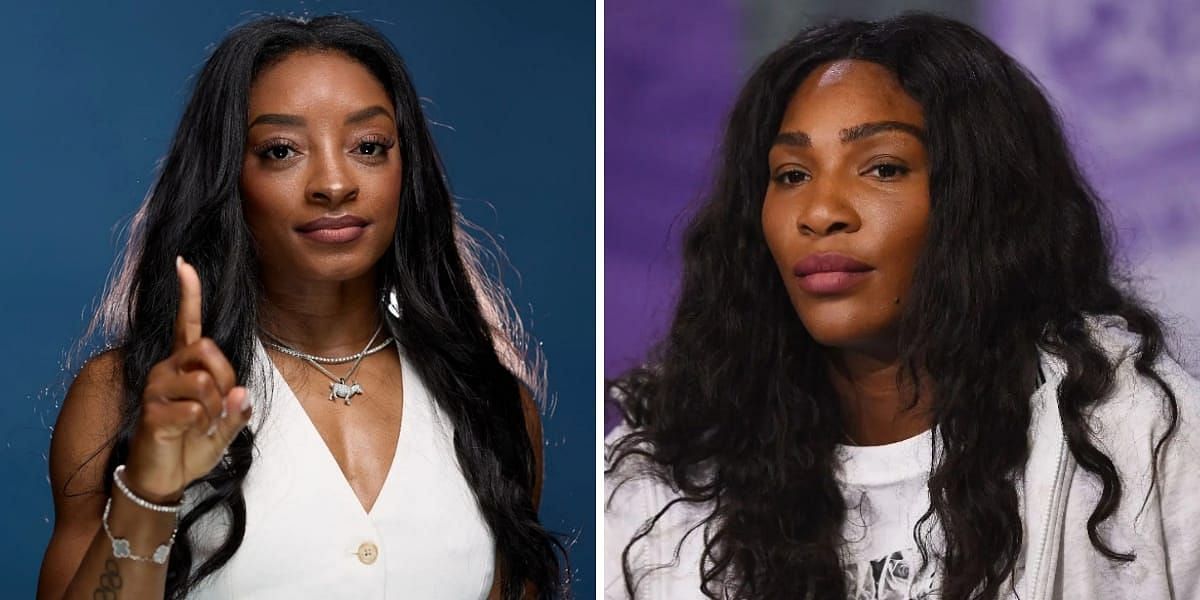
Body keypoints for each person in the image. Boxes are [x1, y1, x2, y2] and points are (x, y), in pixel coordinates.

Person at [604, 13, 1199, 600]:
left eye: (882, 168)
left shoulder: (1139, 437)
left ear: (978, 204)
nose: (820, 211)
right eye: (791, 175)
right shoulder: (660, 484)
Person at [38, 15, 563, 600]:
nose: (333, 184)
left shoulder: (492, 403)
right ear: (227, 177)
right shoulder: (123, 394)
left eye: (368, 146)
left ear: (405, 172)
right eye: (281, 150)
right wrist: (149, 493)